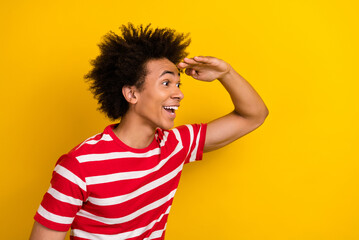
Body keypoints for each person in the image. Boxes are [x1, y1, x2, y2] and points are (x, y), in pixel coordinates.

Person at [30, 23, 269, 240]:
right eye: (166, 83)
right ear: (132, 94)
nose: (179, 93)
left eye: (178, 84)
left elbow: (253, 115)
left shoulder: (175, 145)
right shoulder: (80, 166)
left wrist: (226, 74)